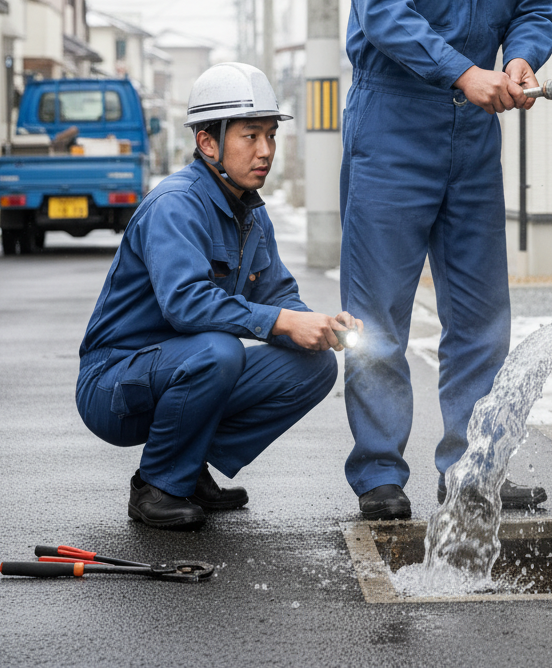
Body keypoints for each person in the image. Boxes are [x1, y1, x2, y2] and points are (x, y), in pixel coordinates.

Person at [341, 0, 552, 520]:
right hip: (392, 126)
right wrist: (465, 72)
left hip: (472, 139)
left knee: (481, 316)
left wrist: (523, 59)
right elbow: (384, 17)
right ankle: (378, 475)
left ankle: (472, 470)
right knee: (378, 317)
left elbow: (535, 6)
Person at [76, 62, 361, 529]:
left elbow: (279, 294)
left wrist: (321, 326)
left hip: (176, 370)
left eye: (271, 135)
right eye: (251, 136)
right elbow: (186, 303)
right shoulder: (176, 205)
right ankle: (158, 485)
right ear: (207, 142)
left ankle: (187, 470)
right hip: (113, 385)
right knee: (218, 350)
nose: (265, 150)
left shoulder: (249, 211)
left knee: (312, 366)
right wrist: (282, 323)